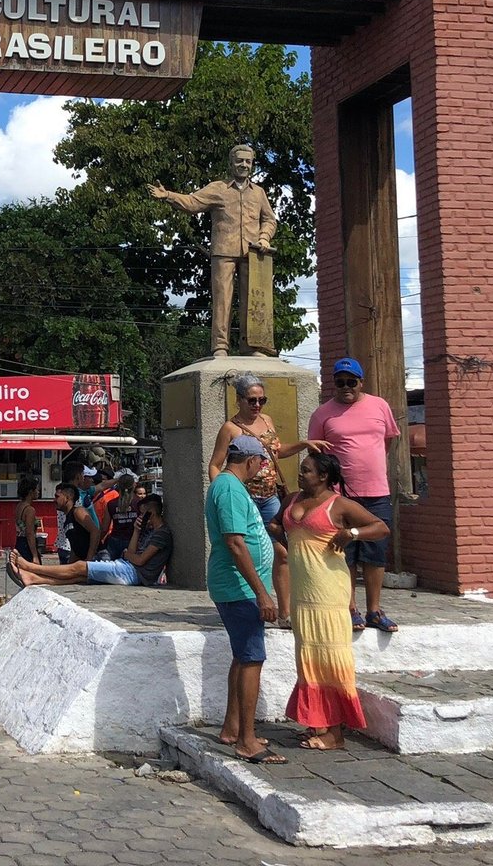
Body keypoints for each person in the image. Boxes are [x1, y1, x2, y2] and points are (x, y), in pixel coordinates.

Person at [279, 451, 390, 751]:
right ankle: (318, 723)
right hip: (302, 595)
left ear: (324, 476)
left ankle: (335, 734)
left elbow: (381, 528)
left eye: (307, 471)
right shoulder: (291, 500)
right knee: (309, 661)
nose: (300, 475)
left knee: (331, 659)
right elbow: (278, 525)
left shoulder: (339, 504)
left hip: (328, 593)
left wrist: (351, 532)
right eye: (301, 470)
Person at [208, 372, 330, 627]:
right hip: (247, 496)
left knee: (282, 551)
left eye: (262, 400)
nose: (257, 406)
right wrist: (225, 490)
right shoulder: (230, 429)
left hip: (270, 495)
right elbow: (215, 465)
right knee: (254, 549)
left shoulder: (267, 421)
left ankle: (284, 612)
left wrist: (303, 444)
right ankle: (253, 599)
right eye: (252, 400)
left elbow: (277, 451)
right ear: (239, 400)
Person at [148, 144, 278, 357]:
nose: (244, 165)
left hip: (254, 253)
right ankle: (220, 346)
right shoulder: (218, 189)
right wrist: (168, 195)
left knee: (253, 300)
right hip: (224, 251)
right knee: (222, 300)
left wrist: (264, 236)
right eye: (239, 161)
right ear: (231, 163)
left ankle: (253, 346)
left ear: (252, 164)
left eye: (248, 161)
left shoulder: (259, 193)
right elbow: (192, 203)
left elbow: (269, 219)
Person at [205, 435, 285, 765]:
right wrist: (262, 592)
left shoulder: (233, 486)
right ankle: (247, 741)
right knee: (252, 658)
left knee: (242, 656)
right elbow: (236, 543)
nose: (262, 469)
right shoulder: (228, 487)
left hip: (242, 587)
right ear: (250, 461)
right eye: (261, 463)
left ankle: (232, 727)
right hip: (239, 588)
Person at [308, 358, 402, 633]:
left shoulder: (379, 406)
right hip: (340, 495)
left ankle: (374, 609)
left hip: (377, 491)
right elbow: (316, 456)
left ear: (361, 382)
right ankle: (350, 609)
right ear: (333, 384)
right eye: (340, 382)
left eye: (352, 381)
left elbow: (387, 441)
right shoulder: (322, 414)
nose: (346, 387)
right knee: (344, 553)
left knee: (375, 553)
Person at [7, 495, 171, 587]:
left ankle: (29, 566)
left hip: (133, 573)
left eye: (143, 514)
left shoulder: (161, 534)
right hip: (128, 567)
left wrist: (127, 554)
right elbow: (133, 552)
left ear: (151, 513)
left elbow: (140, 559)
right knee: (79, 577)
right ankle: (33, 579)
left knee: (79, 566)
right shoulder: (148, 530)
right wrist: (136, 530)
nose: (140, 517)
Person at [54, 482, 100, 563]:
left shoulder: (78, 511)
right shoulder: (67, 519)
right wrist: (70, 566)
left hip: (97, 558)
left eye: (57, 496)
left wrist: (89, 559)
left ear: (68, 498)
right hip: (84, 560)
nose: (54, 500)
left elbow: (95, 532)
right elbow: (75, 548)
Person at [103, 474, 136, 560]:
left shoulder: (111, 504)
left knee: (112, 569)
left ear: (118, 486)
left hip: (115, 541)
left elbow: (104, 528)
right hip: (133, 541)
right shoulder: (139, 503)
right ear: (134, 485)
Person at [14, 476, 43, 563]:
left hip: (19, 542)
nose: (38, 492)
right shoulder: (30, 510)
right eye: (37, 490)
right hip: (27, 545)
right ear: (31, 492)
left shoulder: (19, 506)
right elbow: (30, 534)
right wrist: (35, 555)